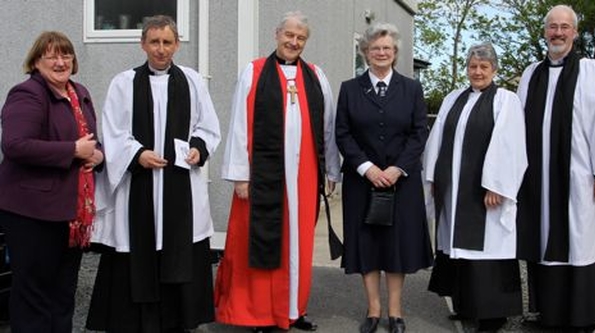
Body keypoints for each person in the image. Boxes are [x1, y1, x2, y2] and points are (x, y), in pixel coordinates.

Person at [85, 15, 221, 332]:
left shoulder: (192, 81)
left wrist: (199, 148)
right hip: (139, 185)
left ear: (177, 44)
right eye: (155, 42)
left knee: (178, 247)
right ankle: (135, 322)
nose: (161, 49)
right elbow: (113, 131)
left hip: (180, 185)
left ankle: (177, 321)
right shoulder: (124, 82)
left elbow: (208, 126)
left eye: (167, 42)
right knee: (139, 248)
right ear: (143, 43)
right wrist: (137, 154)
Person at [214, 11, 341, 333]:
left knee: (299, 244)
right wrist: (240, 174)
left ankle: (295, 309)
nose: (294, 42)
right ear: (277, 34)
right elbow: (239, 125)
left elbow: (327, 127)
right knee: (261, 242)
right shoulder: (254, 72)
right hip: (262, 175)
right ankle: (261, 314)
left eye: (300, 38)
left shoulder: (316, 76)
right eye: (289, 35)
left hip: (305, 174)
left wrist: (331, 170)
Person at [516, 5, 595, 332]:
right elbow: (515, 126)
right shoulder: (532, 73)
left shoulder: (593, 71)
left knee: (581, 243)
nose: (557, 33)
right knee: (544, 242)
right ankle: (549, 313)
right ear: (545, 31)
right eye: (552, 27)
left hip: (581, 179)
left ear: (575, 32)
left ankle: (583, 318)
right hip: (539, 181)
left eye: (564, 27)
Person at [0, 31, 103, 332]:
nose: (60, 62)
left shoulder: (78, 92)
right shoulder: (28, 94)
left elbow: (92, 139)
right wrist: (72, 150)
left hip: (69, 213)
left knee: (62, 294)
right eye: (52, 56)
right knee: (34, 295)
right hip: (32, 212)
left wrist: (98, 155)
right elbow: (16, 144)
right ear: (36, 61)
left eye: (66, 55)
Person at [335, 22, 433, 333]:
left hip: (401, 182)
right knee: (367, 245)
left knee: (396, 246)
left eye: (387, 48)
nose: (381, 52)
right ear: (365, 52)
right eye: (375, 48)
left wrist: (396, 168)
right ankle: (374, 311)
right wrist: (367, 168)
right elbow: (343, 133)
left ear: (395, 53)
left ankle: (396, 312)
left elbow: (419, 133)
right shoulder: (350, 89)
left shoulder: (412, 88)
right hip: (361, 181)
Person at [423, 42, 527, 332]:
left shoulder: (505, 100)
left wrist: (497, 185)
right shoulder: (453, 98)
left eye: (483, 67)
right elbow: (437, 139)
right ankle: (466, 304)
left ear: (494, 69)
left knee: (487, 249)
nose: (477, 71)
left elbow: (509, 144)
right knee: (458, 249)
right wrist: (433, 177)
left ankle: (493, 314)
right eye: (472, 66)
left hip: (484, 193)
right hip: (454, 190)